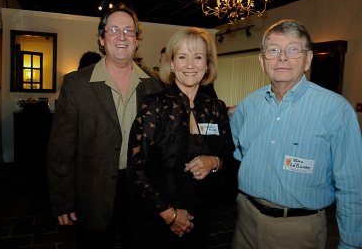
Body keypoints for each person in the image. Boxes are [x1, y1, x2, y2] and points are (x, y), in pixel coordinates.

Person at [230, 19, 362, 249]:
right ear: (262, 61)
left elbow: (352, 184)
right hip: (245, 223)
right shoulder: (248, 106)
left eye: (293, 49)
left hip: (298, 230)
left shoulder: (336, 110)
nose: (282, 57)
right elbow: (238, 155)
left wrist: (351, 243)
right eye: (273, 50)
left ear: (308, 59)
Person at [47, 3, 164, 249]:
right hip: (92, 193)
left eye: (128, 31)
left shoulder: (154, 85)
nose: (121, 37)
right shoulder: (76, 85)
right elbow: (60, 152)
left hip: (141, 193)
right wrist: (62, 202)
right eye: (113, 30)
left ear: (137, 39)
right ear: (102, 39)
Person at [127, 27, 235, 248]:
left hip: (201, 215)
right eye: (182, 57)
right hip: (158, 216)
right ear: (172, 64)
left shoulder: (216, 108)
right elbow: (137, 169)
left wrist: (214, 162)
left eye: (198, 57)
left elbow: (230, 157)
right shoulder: (153, 106)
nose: (190, 65)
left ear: (207, 65)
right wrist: (170, 215)